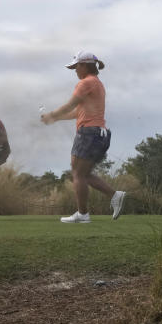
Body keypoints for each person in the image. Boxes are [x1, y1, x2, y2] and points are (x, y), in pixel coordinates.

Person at [41, 50, 125, 223]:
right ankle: (111, 197)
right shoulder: (97, 84)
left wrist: (51, 115)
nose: (75, 71)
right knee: (83, 174)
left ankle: (84, 213)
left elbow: (69, 105)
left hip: (89, 133)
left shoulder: (86, 83)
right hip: (100, 134)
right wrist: (55, 119)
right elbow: (76, 112)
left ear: (84, 65)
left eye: (76, 67)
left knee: (78, 174)